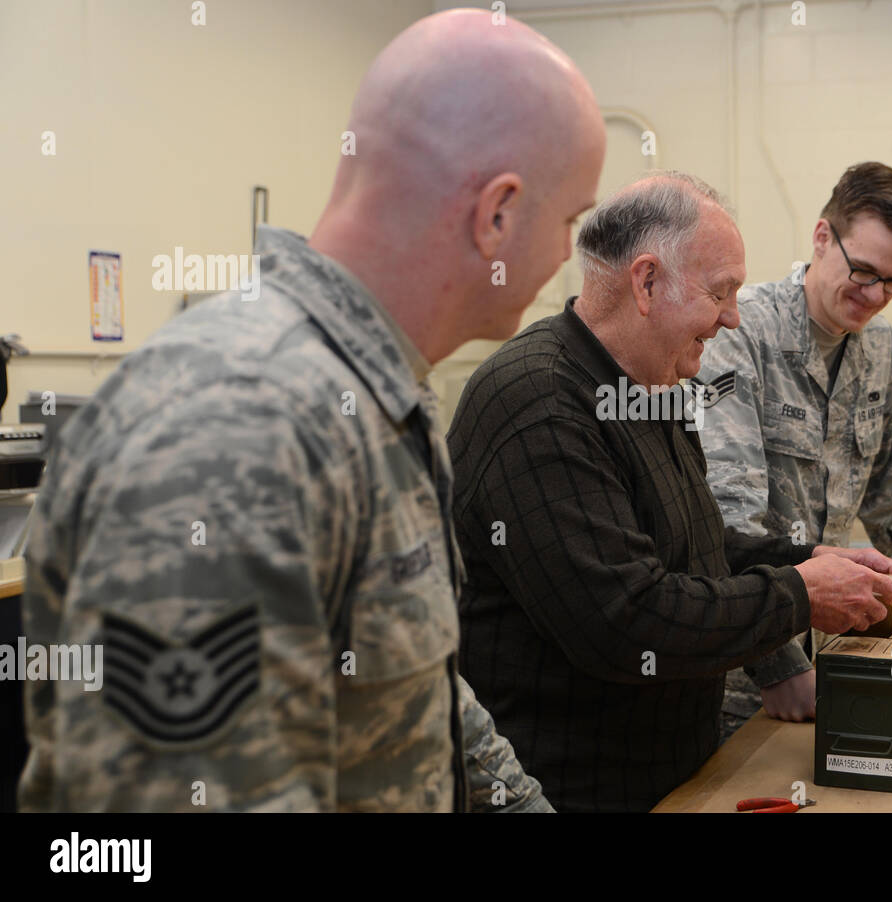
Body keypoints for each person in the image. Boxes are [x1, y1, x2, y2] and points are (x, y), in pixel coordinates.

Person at [19, 8, 605, 812]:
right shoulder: (243, 424)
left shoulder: (368, 396)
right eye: (571, 221)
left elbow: (410, 699)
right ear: (497, 213)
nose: (562, 259)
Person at [446, 172, 892, 812]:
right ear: (647, 282)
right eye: (721, 293)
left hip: (680, 779)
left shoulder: (649, 389)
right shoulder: (537, 402)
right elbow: (626, 619)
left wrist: (810, 561)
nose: (732, 318)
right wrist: (801, 596)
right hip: (572, 793)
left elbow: (698, 545)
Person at [695, 161, 892, 741]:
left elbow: (891, 491)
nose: (875, 296)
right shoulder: (743, 334)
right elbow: (729, 521)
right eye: (863, 271)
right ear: (821, 237)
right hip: (745, 668)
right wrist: (781, 665)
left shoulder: (879, 347)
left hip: (836, 645)